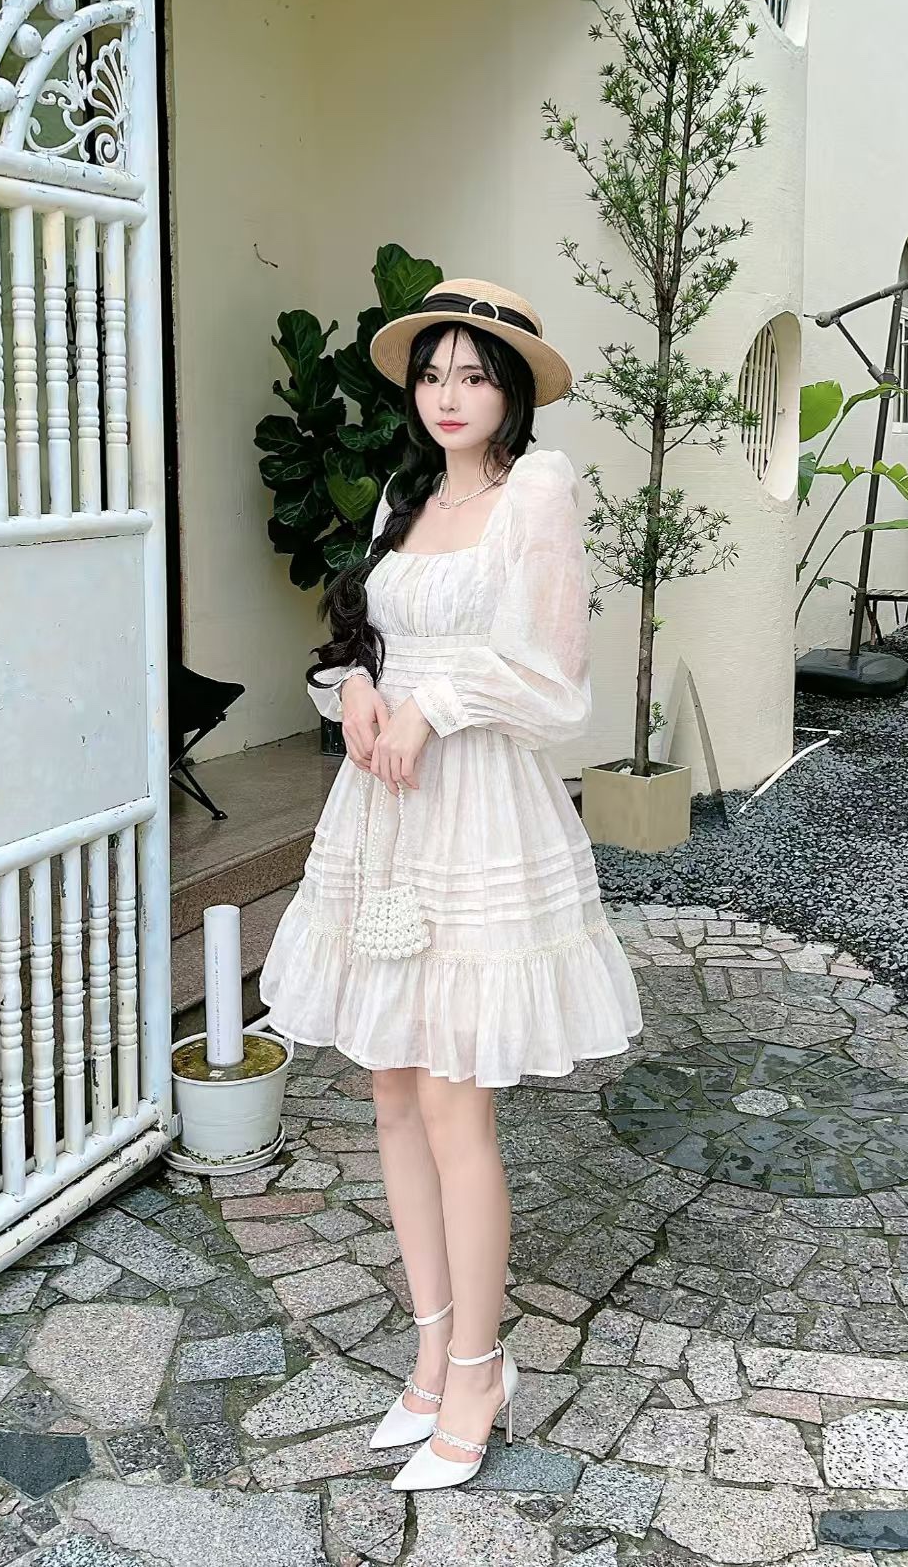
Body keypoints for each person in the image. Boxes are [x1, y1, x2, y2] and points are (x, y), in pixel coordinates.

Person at [259, 278, 642, 1491]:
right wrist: (355, 691)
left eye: (474, 374)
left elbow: (554, 676)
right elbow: (365, 640)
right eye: (433, 373)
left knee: (451, 1102)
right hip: (383, 810)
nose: (449, 394)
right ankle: (430, 1358)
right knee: (389, 1092)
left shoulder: (539, 488)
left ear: (513, 387)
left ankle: (480, 1367)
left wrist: (435, 701)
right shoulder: (403, 491)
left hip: (473, 809)